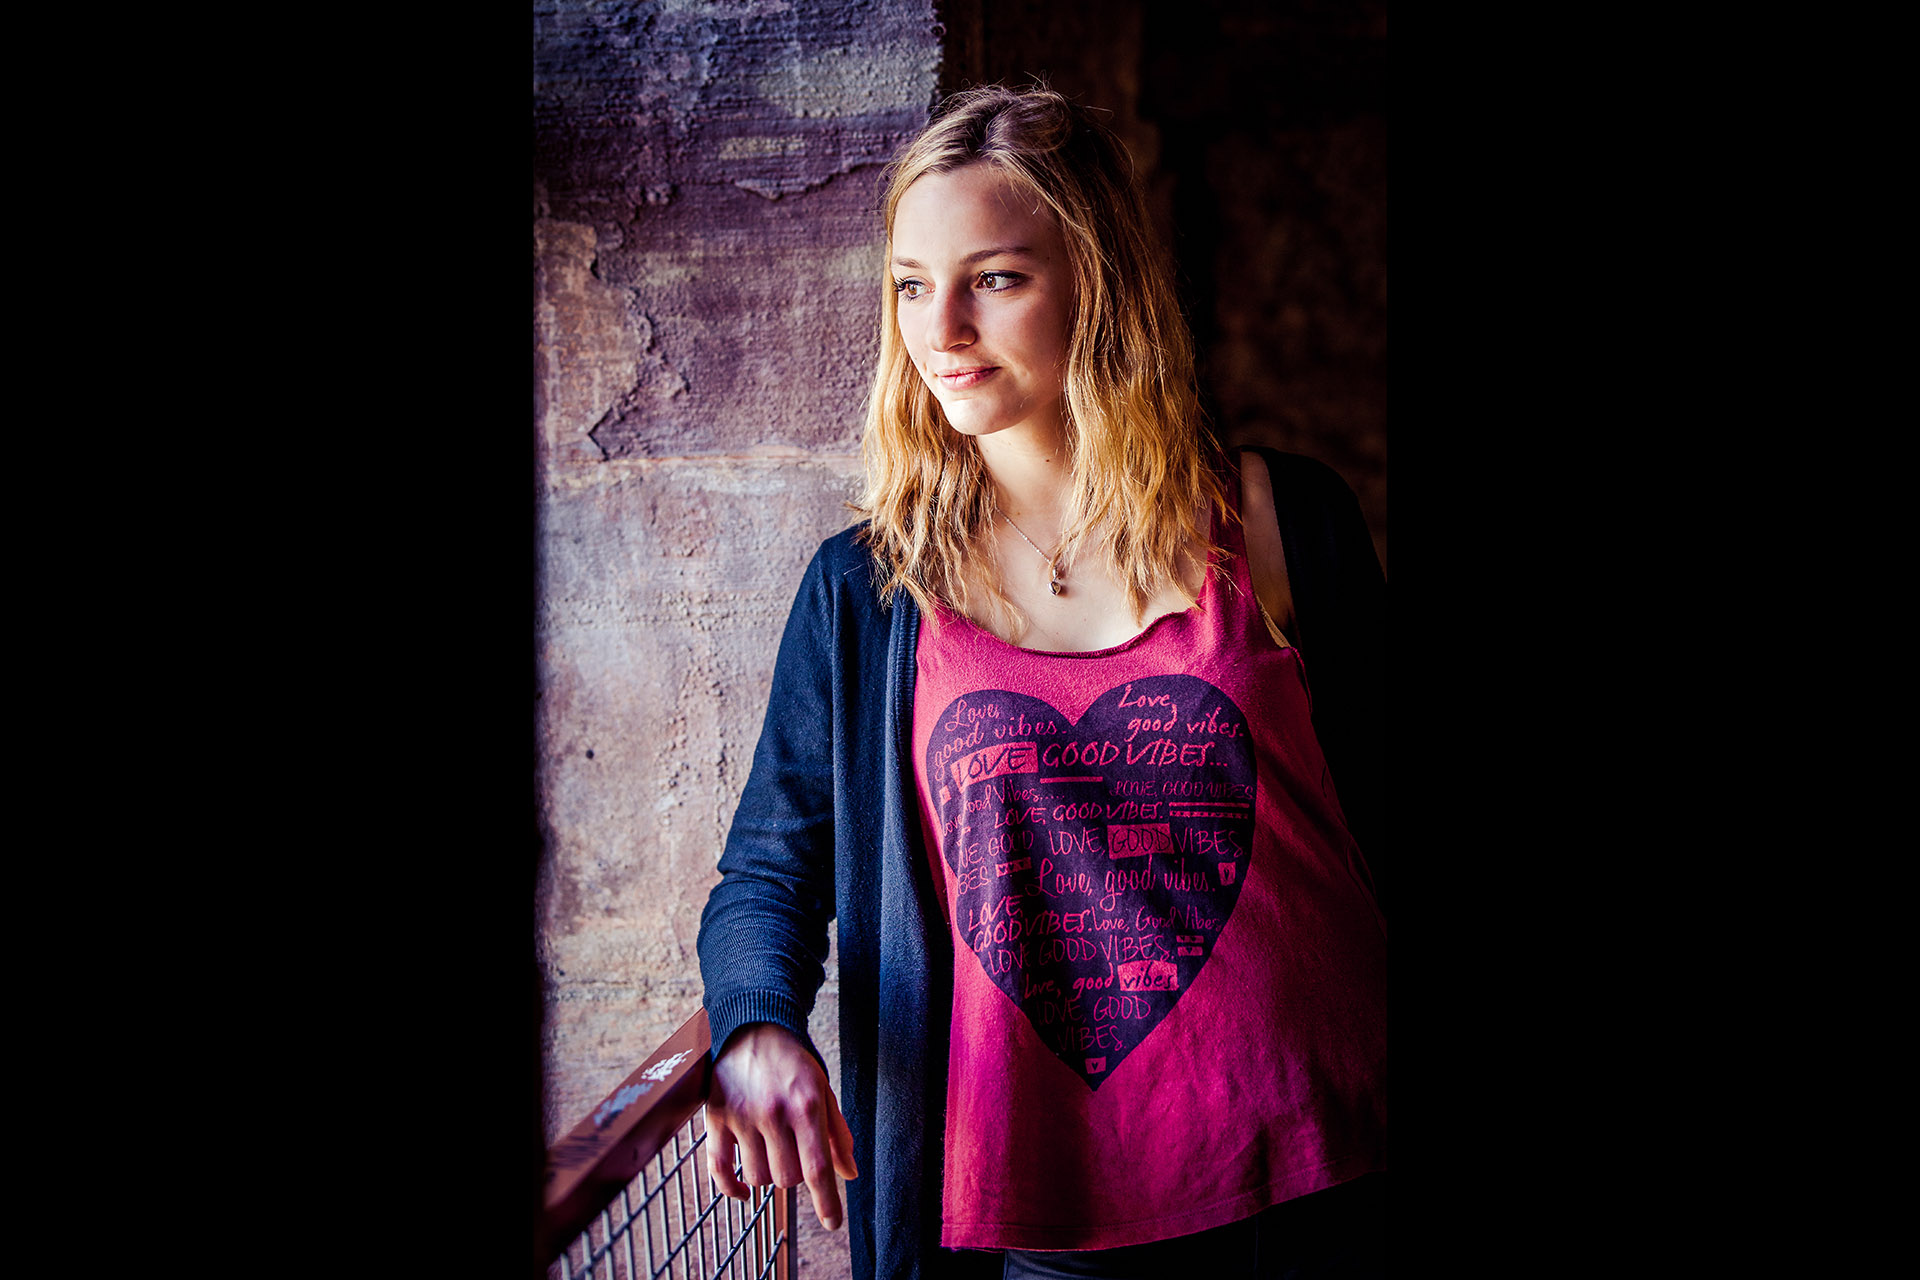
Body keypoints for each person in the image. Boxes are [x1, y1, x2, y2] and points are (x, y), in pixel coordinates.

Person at [697, 85, 1387, 1280]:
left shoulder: (1282, 520)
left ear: (1096, 280)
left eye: (995, 278)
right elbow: (771, 861)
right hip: (1044, 1199)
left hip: (1331, 1159)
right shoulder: (870, 593)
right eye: (912, 283)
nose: (941, 328)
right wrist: (754, 1022)